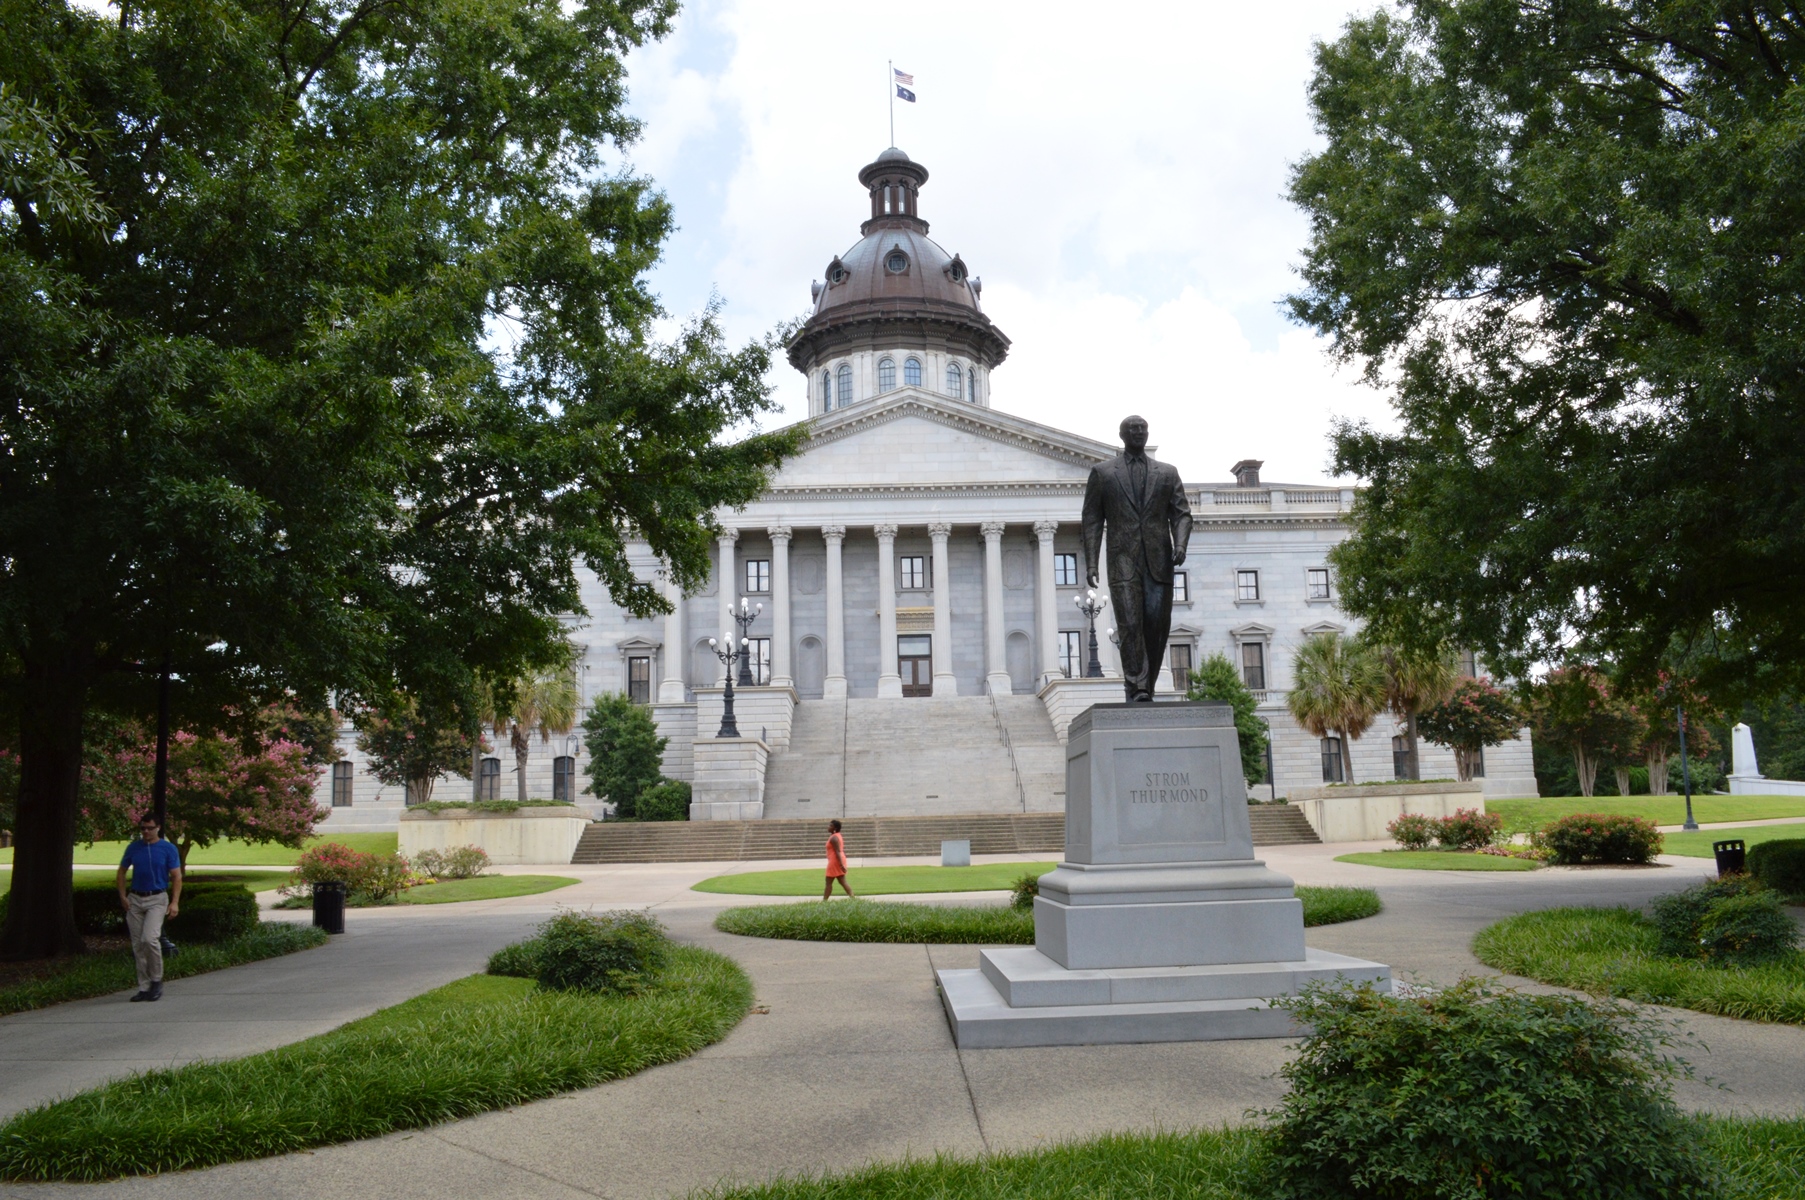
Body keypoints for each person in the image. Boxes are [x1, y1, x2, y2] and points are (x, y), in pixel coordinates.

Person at [1080, 414, 1194, 702]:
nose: (1139, 433)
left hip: (1160, 561)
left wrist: (1180, 544)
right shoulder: (1104, 473)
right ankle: (1138, 686)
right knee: (1130, 625)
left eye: (1143, 429)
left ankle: (1148, 686)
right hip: (1122, 562)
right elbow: (1092, 520)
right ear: (1122, 435)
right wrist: (1091, 562)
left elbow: (1181, 514)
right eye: (1133, 429)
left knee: (1156, 626)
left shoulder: (1167, 473)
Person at [116, 813, 182, 1002]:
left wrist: (174, 902)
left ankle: (156, 980)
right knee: (138, 945)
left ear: (158, 828)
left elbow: (176, 876)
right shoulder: (134, 848)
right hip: (135, 898)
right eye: (143, 828)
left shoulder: (168, 849)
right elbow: (121, 871)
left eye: (149, 828)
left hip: (157, 898)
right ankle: (144, 987)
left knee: (149, 939)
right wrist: (122, 895)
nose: (145, 832)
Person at [822, 818, 854, 900]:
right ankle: (853, 898)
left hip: (835, 861)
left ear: (835, 828)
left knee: (828, 882)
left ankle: (824, 901)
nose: (828, 827)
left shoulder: (834, 838)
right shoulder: (837, 836)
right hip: (838, 860)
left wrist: (841, 864)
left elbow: (838, 851)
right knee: (842, 881)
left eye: (830, 825)